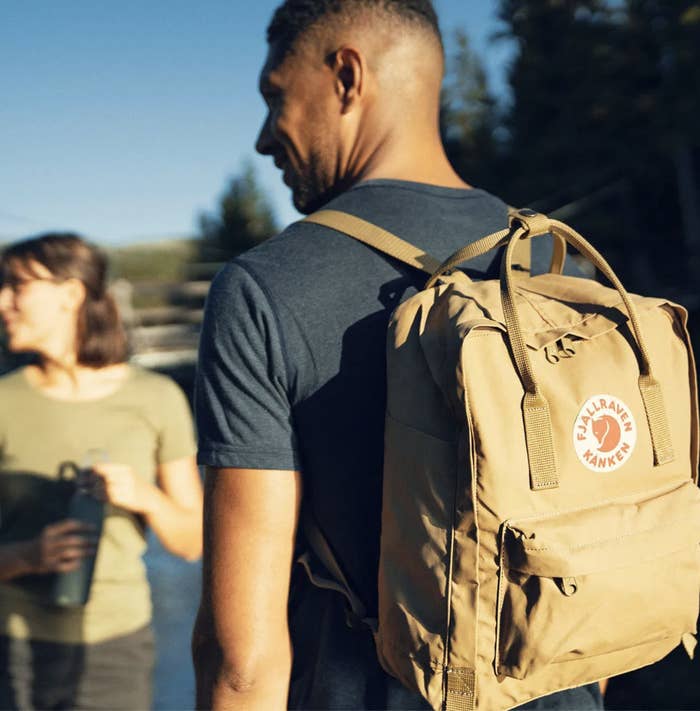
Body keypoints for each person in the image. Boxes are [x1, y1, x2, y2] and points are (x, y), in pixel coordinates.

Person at [192, 1, 603, 709]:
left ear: (346, 75)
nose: (265, 138)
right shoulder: (563, 262)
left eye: (275, 97)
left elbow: (243, 661)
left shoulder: (262, 289)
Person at [0, 233, 203, 710]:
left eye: (16, 286)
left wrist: (144, 497)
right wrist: (28, 556)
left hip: (116, 649)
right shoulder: (5, 402)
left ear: (70, 295)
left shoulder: (157, 398)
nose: (3, 301)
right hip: (10, 649)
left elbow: (191, 543)